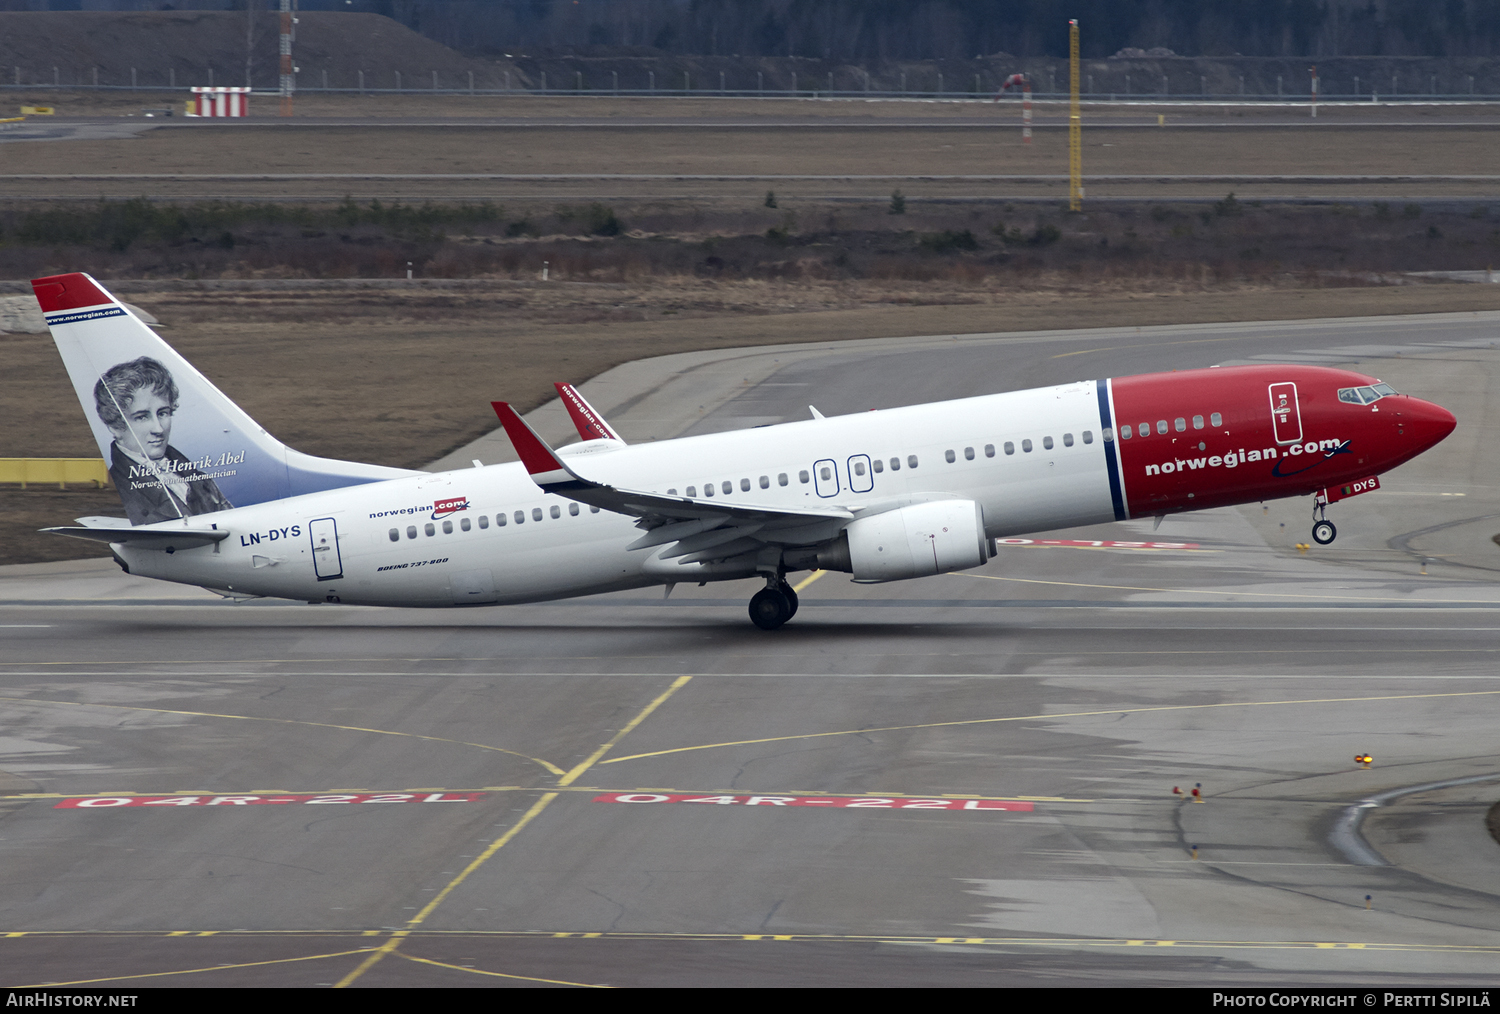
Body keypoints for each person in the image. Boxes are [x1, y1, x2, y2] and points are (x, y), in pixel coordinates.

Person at [94, 356, 233, 525]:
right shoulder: (126, 488)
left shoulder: (193, 475)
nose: (159, 429)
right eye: (142, 417)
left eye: (163, 413)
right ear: (115, 426)